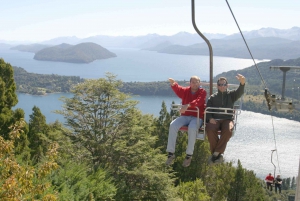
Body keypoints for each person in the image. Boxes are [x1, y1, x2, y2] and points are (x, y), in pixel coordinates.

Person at [166, 76, 206, 167]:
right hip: (186, 116)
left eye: (196, 82)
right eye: (193, 82)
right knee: (173, 125)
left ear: (199, 83)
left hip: (197, 117)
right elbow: (179, 90)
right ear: (190, 83)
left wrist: (187, 105)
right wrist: (173, 84)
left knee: (192, 128)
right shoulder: (186, 91)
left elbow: (199, 101)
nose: (195, 84)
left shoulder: (202, 92)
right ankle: (170, 153)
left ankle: (189, 155)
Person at [205, 74, 245, 164]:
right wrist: (210, 118)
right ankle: (219, 155)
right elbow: (208, 110)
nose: (222, 86)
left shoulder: (231, 95)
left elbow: (240, 92)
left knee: (228, 130)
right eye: (220, 84)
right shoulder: (212, 97)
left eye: (224, 84)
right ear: (217, 86)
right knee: (210, 129)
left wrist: (242, 83)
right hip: (215, 119)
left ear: (227, 85)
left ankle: (215, 154)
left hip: (227, 119)